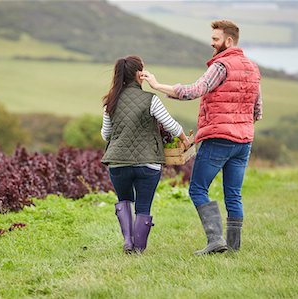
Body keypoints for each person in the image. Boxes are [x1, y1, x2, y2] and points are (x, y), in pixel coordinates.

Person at [141, 20, 262, 255]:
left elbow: (193, 91)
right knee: (233, 193)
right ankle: (234, 248)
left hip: (218, 138)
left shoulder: (221, 66)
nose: (212, 43)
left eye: (215, 39)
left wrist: (156, 85)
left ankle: (216, 239)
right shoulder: (253, 68)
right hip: (244, 140)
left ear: (228, 41)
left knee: (197, 189)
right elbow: (258, 111)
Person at [101, 55, 191, 254]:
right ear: (138, 74)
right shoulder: (150, 99)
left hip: (117, 162)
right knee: (143, 206)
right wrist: (184, 139)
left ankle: (127, 241)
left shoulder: (111, 101)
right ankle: (139, 249)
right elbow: (171, 125)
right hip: (147, 163)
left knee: (124, 200)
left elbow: (105, 134)